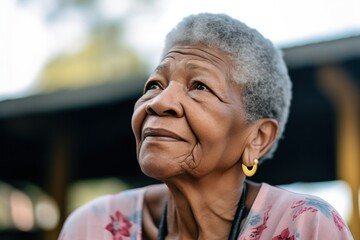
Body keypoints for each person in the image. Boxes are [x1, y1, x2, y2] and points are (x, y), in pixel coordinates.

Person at [58, 13, 353, 240]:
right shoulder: (93, 227)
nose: (159, 102)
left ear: (257, 138)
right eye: (155, 84)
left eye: (200, 86)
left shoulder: (306, 226)